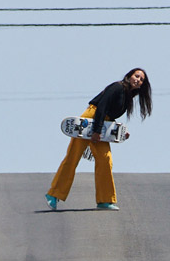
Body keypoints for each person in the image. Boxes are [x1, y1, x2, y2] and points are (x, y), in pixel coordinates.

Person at [45, 68, 153, 210]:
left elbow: (111, 115)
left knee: (105, 159)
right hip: (90, 120)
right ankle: (53, 194)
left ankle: (105, 200)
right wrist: (96, 130)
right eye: (136, 76)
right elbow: (102, 106)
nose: (138, 80)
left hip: (102, 125)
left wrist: (120, 133)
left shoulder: (128, 97)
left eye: (141, 80)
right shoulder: (117, 87)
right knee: (73, 157)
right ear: (129, 76)